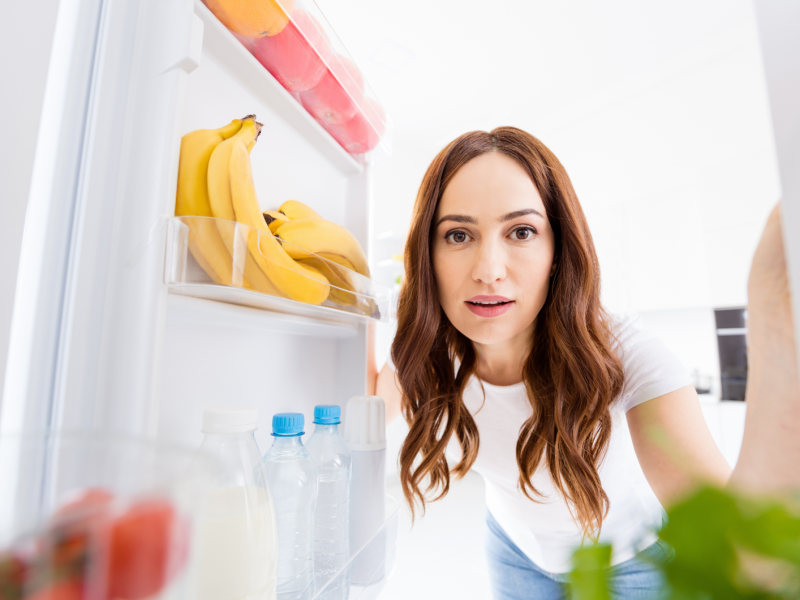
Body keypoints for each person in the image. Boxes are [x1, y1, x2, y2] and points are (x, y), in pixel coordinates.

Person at [368, 127, 735, 600]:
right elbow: (370, 410)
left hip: (629, 565)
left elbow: (731, 536)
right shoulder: (430, 346)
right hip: (513, 550)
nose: (489, 269)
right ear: (427, 256)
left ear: (558, 252)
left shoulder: (626, 355)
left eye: (521, 232)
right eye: (458, 235)